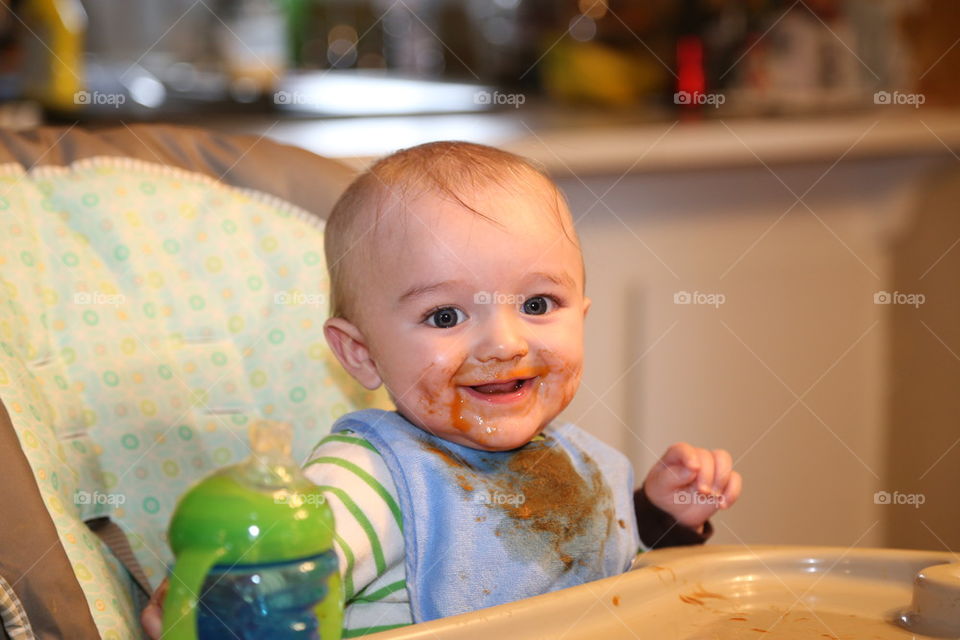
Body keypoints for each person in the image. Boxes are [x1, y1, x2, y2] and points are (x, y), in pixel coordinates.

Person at [141, 141, 741, 638]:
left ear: (581, 314)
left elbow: (600, 559)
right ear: (361, 352)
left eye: (537, 304)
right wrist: (210, 601)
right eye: (445, 317)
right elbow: (287, 578)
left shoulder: (570, 459)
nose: (504, 343)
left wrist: (658, 516)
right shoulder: (373, 480)